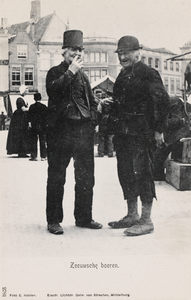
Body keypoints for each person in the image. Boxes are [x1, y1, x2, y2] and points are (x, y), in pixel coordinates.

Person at [103, 35, 170, 236]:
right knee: (125, 172)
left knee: (143, 173)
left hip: (143, 133)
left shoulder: (149, 74)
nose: (122, 57)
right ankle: (132, 215)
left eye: (126, 53)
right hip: (123, 134)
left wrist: (159, 130)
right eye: (120, 53)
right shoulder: (122, 76)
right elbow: (121, 103)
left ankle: (146, 220)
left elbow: (162, 102)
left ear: (137, 53)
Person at [45, 30, 103, 234]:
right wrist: (70, 72)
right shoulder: (55, 71)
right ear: (64, 52)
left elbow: (93, 101)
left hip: (83, 131)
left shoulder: (84, 76)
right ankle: (53, 221)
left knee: (86, 177)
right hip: (60, 131)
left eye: (80, 50)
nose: (77, 53)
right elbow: (53, 90)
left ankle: (84, 217)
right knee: (57, 177)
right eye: (73, 50)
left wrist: (92, 120)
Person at [153, 96, 191, 180]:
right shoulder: (177, 103)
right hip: (176, 136)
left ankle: (157, 174)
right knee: (162, 152)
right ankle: (157, 174)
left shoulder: (176, 103)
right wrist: (182, 121)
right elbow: (174, 121)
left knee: (161, 151)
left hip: (175, 136)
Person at [6, 85, 31, 158]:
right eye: (26, 89)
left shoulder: (22, 99)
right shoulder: (20, 99)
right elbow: (23, 109)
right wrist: (32, 108)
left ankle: (22, 151)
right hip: (20, 119)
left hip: (21, 118)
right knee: (21, 134)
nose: (27, 90)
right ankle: (21, 152)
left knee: (22, 134)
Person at [28, 92, 47, 161]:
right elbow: (46, 117)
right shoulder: (44, 107)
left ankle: (34, 156)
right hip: (42, 126)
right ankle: (43, 156)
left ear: (34, 98)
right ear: (40, 98)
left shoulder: (31, 107)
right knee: (43, 141)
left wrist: (30, 124)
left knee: (33, 141)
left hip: (34, 126)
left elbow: (29, 117)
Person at [96, 91, 114, 157]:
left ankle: (101, 153)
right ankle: (110, 153)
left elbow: (98, 111)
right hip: (111, 120)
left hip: (103, 120)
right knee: (110, 137)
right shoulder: (114, 102)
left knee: (101, 137)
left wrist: (99, 120)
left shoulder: (102, 102)